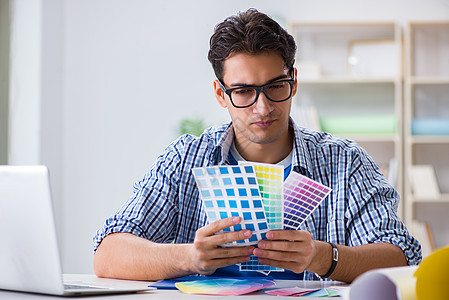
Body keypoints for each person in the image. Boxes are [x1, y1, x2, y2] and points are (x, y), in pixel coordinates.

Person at [93, 8, 421, 283]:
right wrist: (189, 256)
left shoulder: (345, 162)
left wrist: (323, 257)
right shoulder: (184, 159)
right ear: (221, 94)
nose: (263, 108)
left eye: (275, 86)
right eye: (244, 91)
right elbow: (108, 255)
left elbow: (402, 257)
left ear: (293, 82)